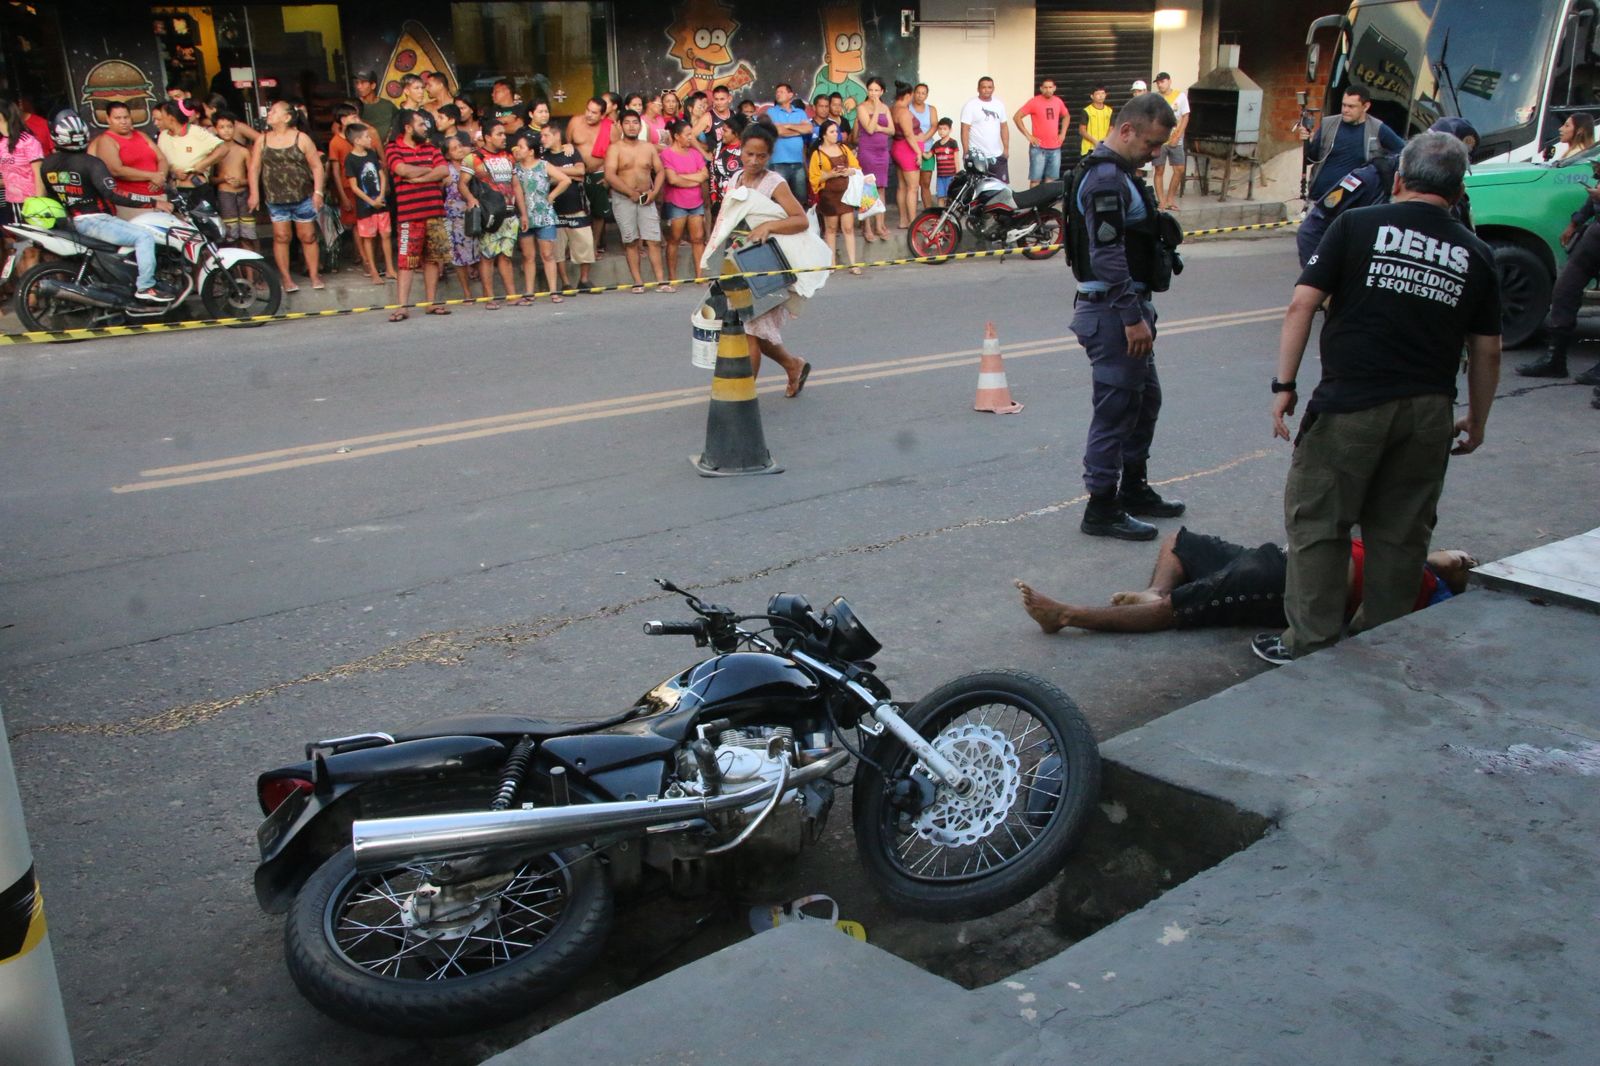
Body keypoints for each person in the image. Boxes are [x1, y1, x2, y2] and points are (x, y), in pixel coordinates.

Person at [1256, 132, 1501, 666]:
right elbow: (1488, 351)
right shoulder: (1476, 253)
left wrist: (1284, 386)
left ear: (1397, 179)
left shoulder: (1357, 224)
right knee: (1401, 534)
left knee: (1320, 524)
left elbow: (1303, 305)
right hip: (1428, 412)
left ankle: (1312, 645)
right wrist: (1476, 420)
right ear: (1458, 192)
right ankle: (1382, 644)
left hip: (1352, 405)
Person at [1066, 92, 1183, 541]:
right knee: (1115, 411)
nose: (1155, 154)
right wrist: (1132, 317)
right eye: (1151, 144)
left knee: (1143, 401)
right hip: (1115, 311)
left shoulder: (1123, 174)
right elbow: (1108, 254)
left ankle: (1133, 489)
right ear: (1127, 129)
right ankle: (1101, 506)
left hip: (1128, 307)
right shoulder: (1106, 180)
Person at [1016, 529, 1476, 635]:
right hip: (1276, 557)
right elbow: (1442, 556)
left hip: (1287, 584)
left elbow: (1363, 622)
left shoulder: (1427, 598)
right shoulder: (1422, 564)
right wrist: (1447, 561)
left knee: (1180, 609)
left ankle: (1067, 615)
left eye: (1465, 565)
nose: (1464, 557)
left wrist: (1455, 573)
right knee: (1178, 540)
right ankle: (1156, 588)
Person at [700, 122, 819, 397]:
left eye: (761, 156)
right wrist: (711, 256)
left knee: (749, 332)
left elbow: (800, 220)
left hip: (764, 267)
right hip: (736, 263)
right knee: (756, 331)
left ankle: (742, 399)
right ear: (740, 149)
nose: (754, 160)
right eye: (749, 153)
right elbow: (725, 221)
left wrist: (768, 227)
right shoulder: (736, 178)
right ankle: (793, 366)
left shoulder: (775, 183)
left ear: (770, 156)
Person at [1296, 117, 1478, 269]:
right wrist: (1324, 289)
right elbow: (1311, 230)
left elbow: (1468, 254)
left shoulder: (1455, 196)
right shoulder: (1371, 177)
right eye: (1445, 160)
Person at [38, 111, 172, 302]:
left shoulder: (48, 164)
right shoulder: (91, 163)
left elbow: (53, 194)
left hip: (72, 220)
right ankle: (146, 286)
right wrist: (153, 201)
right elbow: (113, 193)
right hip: (95, 221)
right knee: (144, 237)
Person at [1518, 164, 1600, 381]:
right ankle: (1555, 359)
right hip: (1594, 238)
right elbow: (1592, 201)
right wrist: (1575, 222)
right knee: (1565, 290)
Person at [248, 100, 324, 292]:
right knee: (281, 237)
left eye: (274, 111)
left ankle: (314, 275)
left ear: (287, 117)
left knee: (308, 236)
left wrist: (318, 192)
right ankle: (286, 278)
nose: (269, 114)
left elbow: (316, 166)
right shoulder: (262, 140)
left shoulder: (302, 138)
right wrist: (254, 193)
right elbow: (255, 168)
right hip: (275, 198)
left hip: (303, 196)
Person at [386, 108, 452, 321]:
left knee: (432, 260)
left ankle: (431, 303)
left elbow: (444, 171)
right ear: (407, 127)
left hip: (435, 212)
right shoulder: (393, 148)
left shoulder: (431, 147)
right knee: (406, 261)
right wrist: (428, 171)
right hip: (409, 216)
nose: (426, 128)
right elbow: (401, 170)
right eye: (421, 124)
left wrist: (419, 176)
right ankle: (402, 306)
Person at [1299, 85, 1405, 202]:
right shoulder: (1328, 124)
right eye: (1343, 105)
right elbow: (1310, 159)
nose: (1345, 110)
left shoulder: (1377, 128)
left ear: (1365, 107)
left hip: (1354, 202)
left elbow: (1405, 152)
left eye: (1351, 106)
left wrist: (1383, 166)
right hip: (1319, 198)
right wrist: (1307, 141)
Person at [604, 109, 667, 293]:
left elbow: (660, 171)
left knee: (653, 239)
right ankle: (638, 282)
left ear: (640, 125)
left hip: (647, 197)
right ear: (621, 126)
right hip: (623, 198)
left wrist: (654, 192)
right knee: (631, 241)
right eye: (628, 122)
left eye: (635, 122)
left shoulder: (648, 147)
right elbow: (609, 174)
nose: (632, 126)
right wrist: (629, 192)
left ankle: (661, 281)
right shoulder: (615, 148)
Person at [465, 120, 521, 309]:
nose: (504, 137)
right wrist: (471, 200)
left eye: (504, 134)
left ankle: (512, 295)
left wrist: (524, 213)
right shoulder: (473, 158)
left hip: (509, 213)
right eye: (499, 134)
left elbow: (516, 185)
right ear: (487, 137)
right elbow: (461, 183)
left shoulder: (509, 157)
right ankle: (489, 297)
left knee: (506, 256)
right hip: (490, 214)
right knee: (487, 256)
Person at [512, 128, 570, 303]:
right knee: (528, 256)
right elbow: (518, 192)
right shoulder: (516, 169)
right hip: (525, 215)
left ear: (531, 151)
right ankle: (529, 292)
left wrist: (551, 196)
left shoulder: (543, 165)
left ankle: (553, 290)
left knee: (547, 255)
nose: (517, 150)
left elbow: (565, 180)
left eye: (521, 147)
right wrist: (523, 214)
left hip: (544, 214)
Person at [539, 122, 594, 293]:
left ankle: (584, 280)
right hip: (555, 211)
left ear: (557, 135)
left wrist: (556, 171)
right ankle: (565, 282)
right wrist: (567, 174)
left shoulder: (571, 151)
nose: (543, 139)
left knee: (585, 244)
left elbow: (581, 172)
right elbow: (547, 178)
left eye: (546, 135)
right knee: (558, 250)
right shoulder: (543, 158)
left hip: (577, 206)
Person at [89, 101, 166, 218]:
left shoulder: (141, 135)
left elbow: (162, 159)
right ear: (108, 119)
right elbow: (116, 170)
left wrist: (161, 176)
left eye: (126, 117)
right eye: (117, 118)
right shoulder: (106, 140)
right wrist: (151, 176)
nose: (123, 121)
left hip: (159, 197)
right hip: (132, 202)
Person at [0, 96, 46, 280]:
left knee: (32, 250)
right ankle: (26, 293)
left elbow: (38, 174)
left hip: (31, 202)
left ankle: (33, 294)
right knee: (16, 249)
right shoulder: (2, 143)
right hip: (12, 203)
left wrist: (38, 203)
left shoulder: (28, 141)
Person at [342, 122, 394, 284]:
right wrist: (371, 201)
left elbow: (382, 175)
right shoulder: (350, 159)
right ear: (357, 140)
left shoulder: (371, 154)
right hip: (365, 206)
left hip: (380, 201)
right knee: (368, 237)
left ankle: (390, 268)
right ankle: (373, 271)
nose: (370, 138)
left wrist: (380, 196)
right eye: (366, 136)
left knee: (385, 234)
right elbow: (354, 187)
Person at [660, 119, 708, 289]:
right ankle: (673, 278)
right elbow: (672, 180)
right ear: (676, 136)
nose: (690, 138)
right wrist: (694, 177)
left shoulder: (695, 153)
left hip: (696, 201)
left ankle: (700, 276)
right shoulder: (666, 154)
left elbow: (704, 175)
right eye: (687, 135)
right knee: (674, 239)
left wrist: (683, 177)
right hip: (676, 202)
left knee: (698, 239)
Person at [809, 119, 862, 275]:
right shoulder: (817, 154)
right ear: (824, 135)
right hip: (828, 196)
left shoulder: (844, 148)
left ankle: (853, 263)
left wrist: (849, 171)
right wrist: (829, 175)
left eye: (836, 131)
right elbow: (814, 178)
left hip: (846, 195)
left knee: (848, 228)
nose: (836, 134)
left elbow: (856, 167)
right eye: (832, 132)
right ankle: (831, 263)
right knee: (831, 229)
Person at [152, 99, 225, 210]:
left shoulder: (196, 131)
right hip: (176, 191)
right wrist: (173, 172)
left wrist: (203, 164)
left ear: (171, 118)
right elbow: (163, 162)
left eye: (162, 116)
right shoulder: (163, 136)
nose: (158, 121)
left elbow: (223, 148)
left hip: (197, 188)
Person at [568, 97, 614, 259]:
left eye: (594, 113)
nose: (589, 115)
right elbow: (566, 145)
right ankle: (572, 248)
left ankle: (593, 246)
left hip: (599, 173)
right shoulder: (575, 122)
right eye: (588, 110)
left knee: (598, 213)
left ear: (602, 116)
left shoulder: (610, 127)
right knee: (573, 211)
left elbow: (616, 153)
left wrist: (609, 177)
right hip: (575, 174)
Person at [441, 132, 482, 304]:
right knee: (458, 255)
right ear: (447, 154)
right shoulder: (445, 171)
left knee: (478, 249)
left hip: (474, 213)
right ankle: (466, 292)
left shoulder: (473, 164)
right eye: (454, 148)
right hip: (454, 217)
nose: (459, 150)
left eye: (460, 146)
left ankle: (479, 281)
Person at [852, 76, 892, 242]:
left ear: (882, 91)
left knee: (881, 188)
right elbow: (868, 128)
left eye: (877, 90)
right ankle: (867, 227)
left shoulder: (886, 107)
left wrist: (880, 128)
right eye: (871, 90)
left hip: (882, 152)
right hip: (867, 152)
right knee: (868, 188)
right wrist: (875, 109)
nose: (873, 93)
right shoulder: (862, 107)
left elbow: (892, 130)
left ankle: (879, 225)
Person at [210, 112, 256, 253]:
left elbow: (253, 177)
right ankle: (237, 273)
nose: (226, 130)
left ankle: (250, 275)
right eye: (222, 127)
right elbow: (210, 179)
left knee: (248, 236)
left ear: (234, 128)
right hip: (225, 195)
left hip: (243, 194)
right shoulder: (214, 152)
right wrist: (223, 179)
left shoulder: (243, 151)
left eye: (229, 126)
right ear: (215, 129)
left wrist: (241, 181)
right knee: (230, 237)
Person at [1014, 78, 1068, 189]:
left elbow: (1066, 116)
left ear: (1054, 88)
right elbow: (1017, 117)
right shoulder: (1034, 101)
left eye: (1050, 87)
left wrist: (1063, 134)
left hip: (1055, 147)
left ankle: (1045, 206)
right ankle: (1033, 206)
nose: (1048, 90)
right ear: (1041, 89)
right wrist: (1028, 136)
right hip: (1039, 148)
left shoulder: (1058, 101)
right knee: (1035, 180)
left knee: (1051, 179)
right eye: (1045, 87)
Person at [766, 82, 813, 206]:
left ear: (790, 94)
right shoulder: (771, 112)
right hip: (778, 163)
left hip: (798, 162)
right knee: (779, 201)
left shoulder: (800, 112)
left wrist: (788, 125)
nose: (778, 94)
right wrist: (798, 129)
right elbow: (778, 131)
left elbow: (808, 129)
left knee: (800, 200)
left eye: (781, 92)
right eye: (777, 92)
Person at [890, 81, 926, 231]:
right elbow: (908, 134)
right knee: (912, 187)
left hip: (898, 148)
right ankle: (913, 222)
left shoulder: (893, 108)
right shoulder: (903, 112)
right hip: (907, 150)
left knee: (902, 187)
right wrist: (918, 152)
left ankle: (904, 220)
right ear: (908, 95)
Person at [1150, 73, 1189, 211]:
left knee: (1179, 169)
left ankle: (1170, 199)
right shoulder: (1155, 98)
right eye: (1158, 82)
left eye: (1162, 81)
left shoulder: (1180, 96)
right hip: (1159, 140)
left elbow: (1185, 116)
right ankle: (1162, 201)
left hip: (1175, 139)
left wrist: (1178, 135)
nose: (1160, 84)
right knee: (1159, 169)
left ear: (1169, 81)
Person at [961, 76, 1010, 183]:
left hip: (996, 155)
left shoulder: (999, 105)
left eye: (989, 87)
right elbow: (965, 130)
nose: (987, 90)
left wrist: (1006, 148)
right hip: (977, 157)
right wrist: (966, 152)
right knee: (977, 188)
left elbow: (1004, 127)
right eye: (983, 87)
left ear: (993, 88)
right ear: (978, 89)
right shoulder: (970, 105)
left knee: (1000, 188)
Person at [324, 103, 358, 229]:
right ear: (343, 120)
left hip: (363, 186)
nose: (357, 120)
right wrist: (343, 196)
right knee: (355, 225)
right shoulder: (335, 142)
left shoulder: (359, 138)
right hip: (348, 187)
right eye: (353, 117)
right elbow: (336, 172)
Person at [709, 111, 747, 212]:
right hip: (720, 204)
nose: (722, 133)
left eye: (725, 131)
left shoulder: (746, 151)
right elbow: (713, 174)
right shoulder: (718, 148)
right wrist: (714, 199)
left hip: (739, 204)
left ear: (736, 133)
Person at [910, 84, 938, 210]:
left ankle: (928, 212)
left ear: (926, 95)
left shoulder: (931, 109)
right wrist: (916, 141)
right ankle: (913, 214)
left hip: (928, 150)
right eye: (918, 92)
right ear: (913, 93)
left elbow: (934, 126)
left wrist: (923, 139)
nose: (920, 95)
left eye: (923, 93)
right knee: (912, 185)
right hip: (911, 149)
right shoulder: (908, 108)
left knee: (925, 183)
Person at [354, 71, 398, 144]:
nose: (359, 86)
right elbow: (336, 128)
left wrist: (391, 134)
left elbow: (398, 122)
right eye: (357, 83)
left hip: (386, 149)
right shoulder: (353, 106)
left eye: (363, 82)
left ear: (373, 85)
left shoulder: (388, 105)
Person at [929, 118, 959, 205]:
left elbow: (956, 159)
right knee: (940, 196)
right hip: (940, 177)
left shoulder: (953, 143)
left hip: (951, 176)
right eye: (940, 129)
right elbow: (928, 155)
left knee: (949, 197)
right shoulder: (936, 144)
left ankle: (948, 216)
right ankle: (940, 215)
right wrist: (919, 151)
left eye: (945, 129)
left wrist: (957, 174)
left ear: (950, 130)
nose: (942, 131)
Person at [1079, 85, 1113, 158]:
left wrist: (1106, 139)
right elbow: (1082, 130)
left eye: (1103, 93)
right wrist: (1095, 141)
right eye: (1098, 94)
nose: (1101, 96)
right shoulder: (1087, 111)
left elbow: (1112, 127)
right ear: (1092, 96)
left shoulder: (1109, 110)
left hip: (1105, 147)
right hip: (1089, 149)